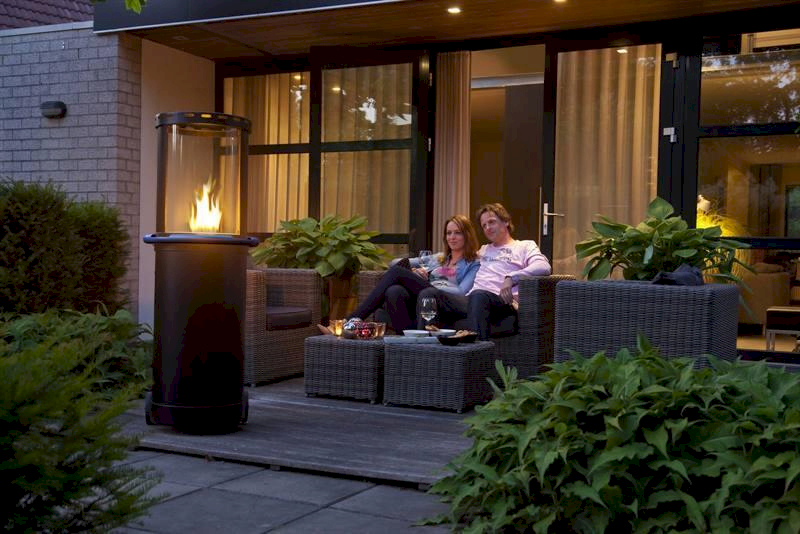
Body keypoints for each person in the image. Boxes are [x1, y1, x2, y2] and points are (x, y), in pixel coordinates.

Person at [348, 215, 481, 333]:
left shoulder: (473, 263)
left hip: (445, 300)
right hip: (423, 296)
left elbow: (461, 292)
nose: (452, 237)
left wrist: (428, 284)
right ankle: (407, 341)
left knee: (399, 274)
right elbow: (394, 263)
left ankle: (353, 319)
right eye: (448, 233)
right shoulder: (439, 258)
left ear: (467, 235)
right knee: (394, 290)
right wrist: (413, 272)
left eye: (457, 233)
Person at [466, 203, 551, 340]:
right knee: (432, 295)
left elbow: (543, 266)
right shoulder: (483, 250)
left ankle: (478, 353)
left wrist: (511, 278)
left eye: (491, 222)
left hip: (502, 303)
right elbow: (460, 261)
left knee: (478, 296)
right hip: (473, 299)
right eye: (484, 225)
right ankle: (431, 351)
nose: (487, 228)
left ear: (506, 221)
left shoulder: (524, 246)